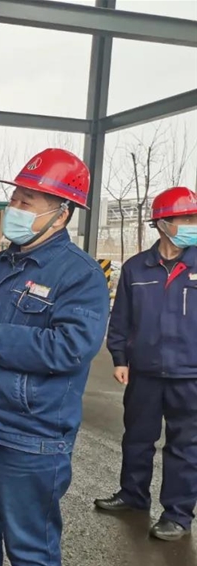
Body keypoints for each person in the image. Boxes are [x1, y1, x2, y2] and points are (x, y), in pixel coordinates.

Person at [0, 148, 110, 566]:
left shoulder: (80, 276)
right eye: (14, 198)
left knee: (31, 549)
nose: (13, 209)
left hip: (31, 436)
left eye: (27, 201)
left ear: (62, 214)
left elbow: (70, 347)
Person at [95, 186, 197, 541]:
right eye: (186, 219)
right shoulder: (136, 268)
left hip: (190, 375)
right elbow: (121, 318)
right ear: (162, 223)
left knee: (185, 447)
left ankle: (177, 515)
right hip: (144, 372)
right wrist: (119, 358)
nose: (192, 225)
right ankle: (133, 495)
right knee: (137, 438)